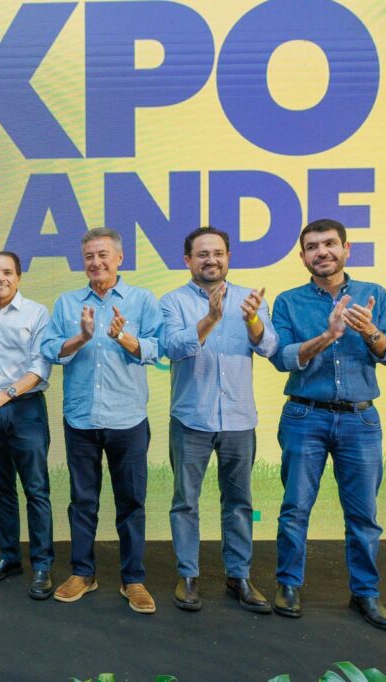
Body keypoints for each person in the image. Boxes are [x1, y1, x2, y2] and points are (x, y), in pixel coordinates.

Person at [269, 218, 386, 631]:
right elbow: (282, 358)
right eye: (312, 247)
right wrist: (327, 337)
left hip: (360, 419)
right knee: (295, 508)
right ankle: (288, 584)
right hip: (304, 416)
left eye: (329, 244)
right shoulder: (288, 302)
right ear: (303, 256)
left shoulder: (374, 294)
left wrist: (371, 332)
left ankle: (365, 592)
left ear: (347, 249)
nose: (322, 252)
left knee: (363, 514)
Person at [41, 227, 161, 614]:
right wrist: (81, 337)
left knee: (131, 503)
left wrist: (124, 337)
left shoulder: (142, 300)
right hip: (81, 420)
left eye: (103, 255)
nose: (96, 262)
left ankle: (133, 579)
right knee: (82, 502)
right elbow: (50, 349)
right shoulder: (67, 302)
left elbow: (158, 349)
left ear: (120, 258)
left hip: (128, 420)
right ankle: (83, 573)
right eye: (89, 256)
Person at [159, 227, 276, 614]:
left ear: (228, 257)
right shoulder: (173, 302)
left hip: (239, 419)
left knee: (239, 502)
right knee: (185, 502)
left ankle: (238, 576)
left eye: (218, 253)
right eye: (202, 254)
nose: (211, 260)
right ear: (188, 260)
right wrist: (211, 318)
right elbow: (173, 348)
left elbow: (269, 347)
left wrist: (253, 320)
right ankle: (188, 575)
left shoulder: (250, 299)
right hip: (191, 419)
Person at [0, 251, 54, 600]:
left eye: (7, 272)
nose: (0, 278)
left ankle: (43, 565)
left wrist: (6, 394)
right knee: (1, 490)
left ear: (18, 277)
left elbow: (41, 366)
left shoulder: (37, 313)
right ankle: (9, 557)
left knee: (36, 490)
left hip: (25, 409)